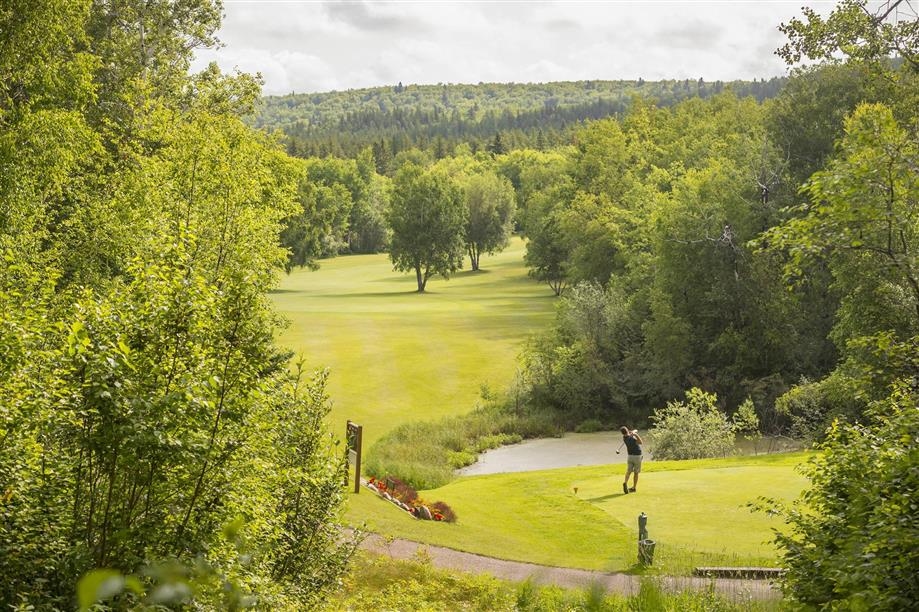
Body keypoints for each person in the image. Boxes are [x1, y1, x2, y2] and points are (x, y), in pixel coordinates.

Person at [620, 426, 643, 494]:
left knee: (628, 471)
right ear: (627, 430)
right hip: (637, 456)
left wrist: (633, 432)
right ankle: (634, 488)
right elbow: (641, 442)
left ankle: (625, 482)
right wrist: (635, 434)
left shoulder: (624, 438)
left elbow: (636, 429)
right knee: (636, 472)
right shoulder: (632, 438)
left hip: (630, 456)